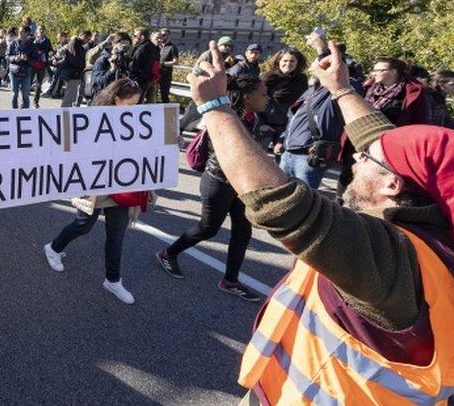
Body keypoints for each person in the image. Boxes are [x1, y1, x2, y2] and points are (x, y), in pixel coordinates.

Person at [190, 41, 454, 405]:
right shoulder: (434, 235)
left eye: (365, 159)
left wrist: (215, 108)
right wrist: (342, 88)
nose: (356, 160)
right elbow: (378, 140)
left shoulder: (393, 261)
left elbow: (280, 205)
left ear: (392, 185)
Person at [157, 74, 270, 302]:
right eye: (263, 94)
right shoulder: (227, 119)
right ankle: (168, 254)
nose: (268, 98)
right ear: (247, 97)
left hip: (240, 183)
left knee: (242, 232)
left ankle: (230, 280)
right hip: (218, 181)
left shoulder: (251, 117)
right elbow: (226, 155)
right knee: (208, 229)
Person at [43, 79, 148, 304]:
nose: (134, 110)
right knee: (83, 225)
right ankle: (53, 248)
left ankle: (113, 280)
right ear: (115, 99)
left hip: (121, 187)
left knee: (116, 235)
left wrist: (170, 142)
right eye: (130, 104)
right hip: (95, 185)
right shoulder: (92, 119)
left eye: (137, 105)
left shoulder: (136, 121)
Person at [339, 56, 429, 199]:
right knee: (346, 177)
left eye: (379, 70)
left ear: (393, 72)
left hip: (385, 147)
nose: (374, 73)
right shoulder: (369, 88)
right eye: (373, 70)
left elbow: (419, 123)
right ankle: (340, 206)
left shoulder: (412, 93)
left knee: (372, 183)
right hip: (358, 141)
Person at [260, 48, 308, 145]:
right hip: (267, 125)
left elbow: (303, 103)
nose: (288, 64)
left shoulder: (301, 80)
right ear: (278, 62)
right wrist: (260, 124)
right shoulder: (268, 78)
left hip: (288, 126)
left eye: (292, 61)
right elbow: (256, 101)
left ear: (297, 63)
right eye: (285, 61)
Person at [6, 26, 38, 109]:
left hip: (26, 72)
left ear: (27, 33)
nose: (19, 33)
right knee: (14, 94)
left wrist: (27, 59)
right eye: (19, 31)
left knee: (25, 95)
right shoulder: (13, 43)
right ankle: (14, 113)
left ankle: (25, 113)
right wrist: (14, 58)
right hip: (14, 71)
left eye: (21, 32)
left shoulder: (32, 45)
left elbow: (35, 61)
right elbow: (7, 56)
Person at [56, 30, 89, 107]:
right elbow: (73, 59)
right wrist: (79, 68)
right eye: (86, 38)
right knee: (69, 95)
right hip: (73, 73)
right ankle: (64, 112)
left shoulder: (78, 45)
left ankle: (67, 111)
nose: (87, 40)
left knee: (72, 96)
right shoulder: (74, 43)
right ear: (82, 35)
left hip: (76, 73)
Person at [30, 26, 52, 108]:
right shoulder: (32, 39)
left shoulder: (47, 40)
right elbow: (30, 49)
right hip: (33, 64)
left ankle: (35, 102)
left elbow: (50, 49)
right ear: (37, 31)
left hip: (42, 64)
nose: (42, 31)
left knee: (39, 85)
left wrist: (50, 52)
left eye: (43, 30)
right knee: (29, 82)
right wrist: (36, 42)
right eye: (40, 30)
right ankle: (24, 101)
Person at [157, 29, 179, 104]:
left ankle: (167, 113)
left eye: (164, 35)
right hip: (155, 74)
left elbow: (175, 61)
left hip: (165, 74)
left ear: (168, 36)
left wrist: (163, 64)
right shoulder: (158, 46)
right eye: (161, 35)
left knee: (164, 95)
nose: (162, 37)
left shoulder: (172, 47)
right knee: (152, 94)